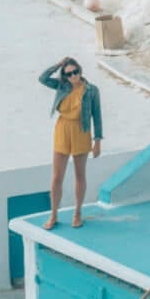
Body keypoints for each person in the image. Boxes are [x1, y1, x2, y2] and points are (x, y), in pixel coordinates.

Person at [39, 52, 103, 229]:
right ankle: (53, 214)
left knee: (79, 175)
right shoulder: (61, 86)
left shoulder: (91, 90)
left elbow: (97, 116)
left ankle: (77, 212)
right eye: (68, 73)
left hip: (81, 131)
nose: (73, 76)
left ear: (80, 71)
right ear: (64, 75)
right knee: (57, 176)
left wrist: (97, 141)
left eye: (75, 72)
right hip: (62, 129)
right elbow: (42, 78)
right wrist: (58, 65)